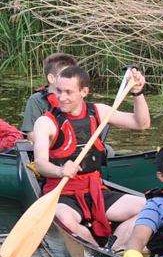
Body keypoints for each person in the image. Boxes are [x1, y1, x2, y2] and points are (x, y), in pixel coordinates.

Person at [32, 65, 150, 247]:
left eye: (68, 92)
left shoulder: (98, 111)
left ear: (84, 91)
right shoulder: (46, 122)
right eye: (58, 91)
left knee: (148, 208)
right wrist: (61, 170)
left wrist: (138, 93)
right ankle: (94, 250)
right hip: (62, 193)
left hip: (95, 189)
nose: (61, 97)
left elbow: (141, 123)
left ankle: (115, 248)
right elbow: (40, 164)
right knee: (65, 219)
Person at [20, 52, 77, 141]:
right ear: (51, 78)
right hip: (49, 148)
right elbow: (30, 135)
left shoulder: (75, 98)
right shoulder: (36, 100)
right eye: (67, 75)